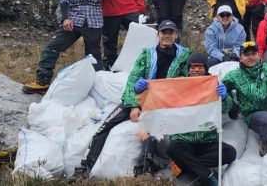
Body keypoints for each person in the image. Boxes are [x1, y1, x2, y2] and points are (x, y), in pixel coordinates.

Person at [71, 20, 193, 179]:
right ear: (158, 35)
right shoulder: (147, 54)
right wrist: (133, 105)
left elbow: (188, 79)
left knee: (149, 130)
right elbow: (132, 80)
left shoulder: (183, 55)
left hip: (163, 101)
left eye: (170, 33)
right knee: (105, 126)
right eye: (164, 32)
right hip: (141, 97)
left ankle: (143, 170)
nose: (167, 36)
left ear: (176, 35)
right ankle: (85, 167)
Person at [22, 0, 111, 94]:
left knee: (94, 55)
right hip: (73, 18)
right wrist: (65, 18)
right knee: (52, 47)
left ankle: (97, 87)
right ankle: (42, 82)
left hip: (94, 19)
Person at [140, 53, 237, 185]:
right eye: (192, 67)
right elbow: (163, 96)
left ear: (206, 68)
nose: (196, 70)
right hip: (184, 141)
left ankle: (186, 167)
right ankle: (207, 175)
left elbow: (225, 109)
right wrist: (145, 89)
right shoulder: (180, 85)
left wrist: (225, 98)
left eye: (200, 67)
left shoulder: (214, 84)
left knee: (230, 153)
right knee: (172, 149)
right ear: (188, 69)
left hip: (208, 140)